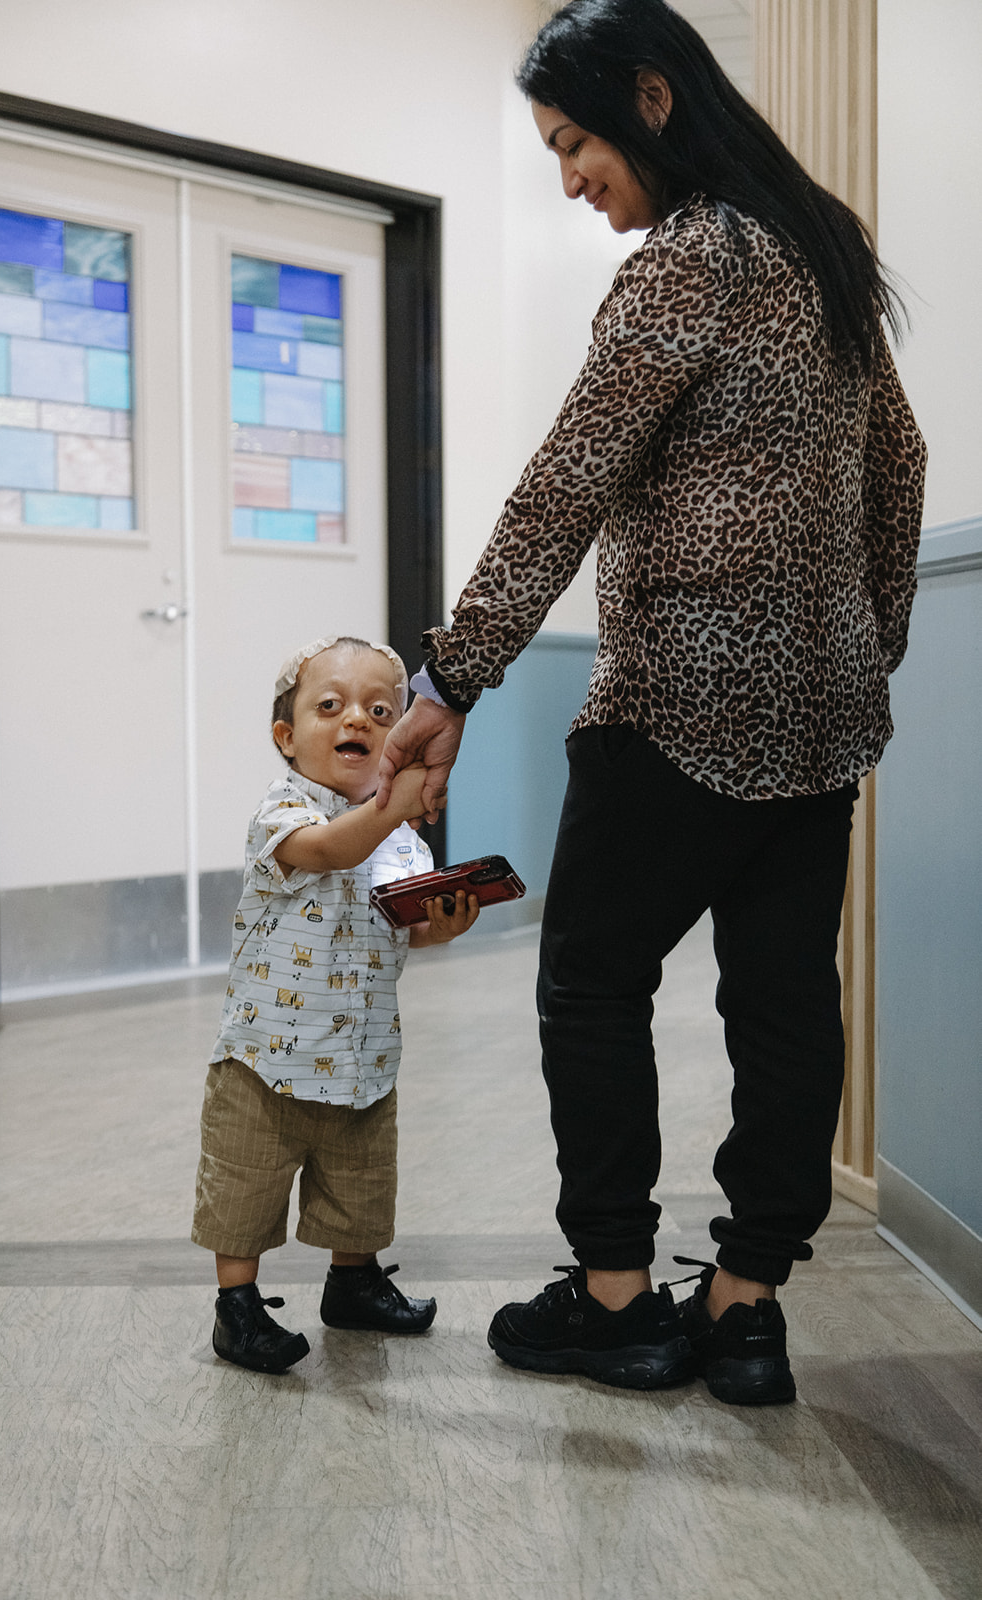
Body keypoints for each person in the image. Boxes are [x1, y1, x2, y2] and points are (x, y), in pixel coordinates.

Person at [377, 0, 926, 1404]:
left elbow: (567, 475)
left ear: (650, 98)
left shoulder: (686, 263)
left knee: (588, 985)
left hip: (675, 703)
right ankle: (743, 1310)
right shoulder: (819, 251)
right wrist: (868, 646)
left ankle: (615, 1296)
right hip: (819, 718)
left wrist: (453, 673)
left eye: (573, 143)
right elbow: (901, 467)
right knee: (785, 1003)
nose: (569, 176)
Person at [192, 635, 479, 1374]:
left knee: (360, 1179)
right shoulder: (285, 810)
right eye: (331, 706)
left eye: (381, 710)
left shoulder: (404, 842)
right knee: (247, 1182)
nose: (356, 718)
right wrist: (394, 808)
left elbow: (410, 930)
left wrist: (443, 923)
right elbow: (327, 852)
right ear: (287, 738)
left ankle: (353, 1280)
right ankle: (238, 1306)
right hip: (265, 1056)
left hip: (362, 1053)